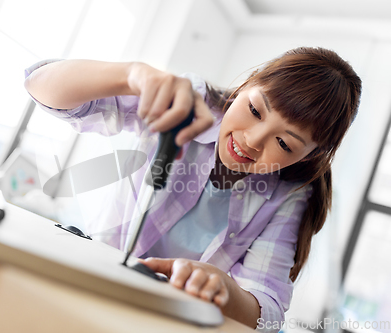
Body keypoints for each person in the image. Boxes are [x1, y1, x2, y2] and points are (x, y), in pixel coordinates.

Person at [24, 47, 361, 332]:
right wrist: (131, 74)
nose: (252, 140)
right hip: (90, 282)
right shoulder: (189, 103)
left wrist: (226, 289)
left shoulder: (290, 194)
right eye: (255, 110)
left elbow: (269, 315)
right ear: (246, 86)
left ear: (312, 154)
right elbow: (41, 87)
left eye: (284, 144)